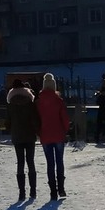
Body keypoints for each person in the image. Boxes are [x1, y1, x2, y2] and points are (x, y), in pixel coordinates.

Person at [37, 72, 71, 200]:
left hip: (45, 135)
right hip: (58, 135)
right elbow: (65, 119)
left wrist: (39, 132)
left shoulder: (39, 101)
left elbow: (37, 119)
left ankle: (52, 192)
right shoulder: (58, 101)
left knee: (50, 163)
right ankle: (61, 189)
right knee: (59, 162)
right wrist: (65, 130)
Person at [6, 79, 40, 200]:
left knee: (20, 162)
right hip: (30, 136)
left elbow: (7, 123)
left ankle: (21, 193)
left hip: (17, 136)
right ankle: (33, 191)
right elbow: (36, 120)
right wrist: (38, 132)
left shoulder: (10, 105)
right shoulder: (30, 103)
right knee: (31, 162)